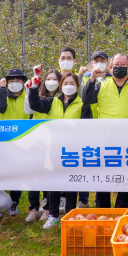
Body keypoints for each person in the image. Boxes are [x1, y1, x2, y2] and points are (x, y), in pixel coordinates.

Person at [29, 72, 92, 228]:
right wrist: (34, 87)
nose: (68, 86)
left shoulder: (82, 103)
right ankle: (53, 215)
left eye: (72, 83)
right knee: (54, 183)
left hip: (73, 150)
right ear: (61, 86)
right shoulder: (52, 102)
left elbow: (87, 127)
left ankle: (70, 214)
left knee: (71, 183)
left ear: (77, 86)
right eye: (65, 83)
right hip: (54, 148)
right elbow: (34, 105)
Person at [82, 53, 128, 209]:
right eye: (116, 65)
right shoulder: (102, 84)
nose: (119, 68)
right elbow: (86, 100)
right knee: (103, 178)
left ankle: (122, 210)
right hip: (105, 139)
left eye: (123, 65)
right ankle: (103, 211)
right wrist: (92, 78)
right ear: (111, 67)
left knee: (126, 178)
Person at [23, 68, 61, 223]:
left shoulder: (60, 99)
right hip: (37, 139)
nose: (51, 82)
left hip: (53, 139)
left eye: (55, 79)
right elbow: (29, 108)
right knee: (35, 172)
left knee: (48, 174)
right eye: (48, 79)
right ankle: (33, 207)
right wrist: (30, 89)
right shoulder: (37, 96)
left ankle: (46, 208)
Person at [0, 68, 30, 216]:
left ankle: (14, 202)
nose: (15, 83)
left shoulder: (28, 96)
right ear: (6, 82)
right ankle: (0, 203)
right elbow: (0, 108)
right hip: (4, 140)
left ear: (23, 82)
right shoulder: (2, 94)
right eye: (11, 81)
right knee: (3, 173)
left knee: (17, 173)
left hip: (24, 139)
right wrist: (2, 89)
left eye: (18, 80)